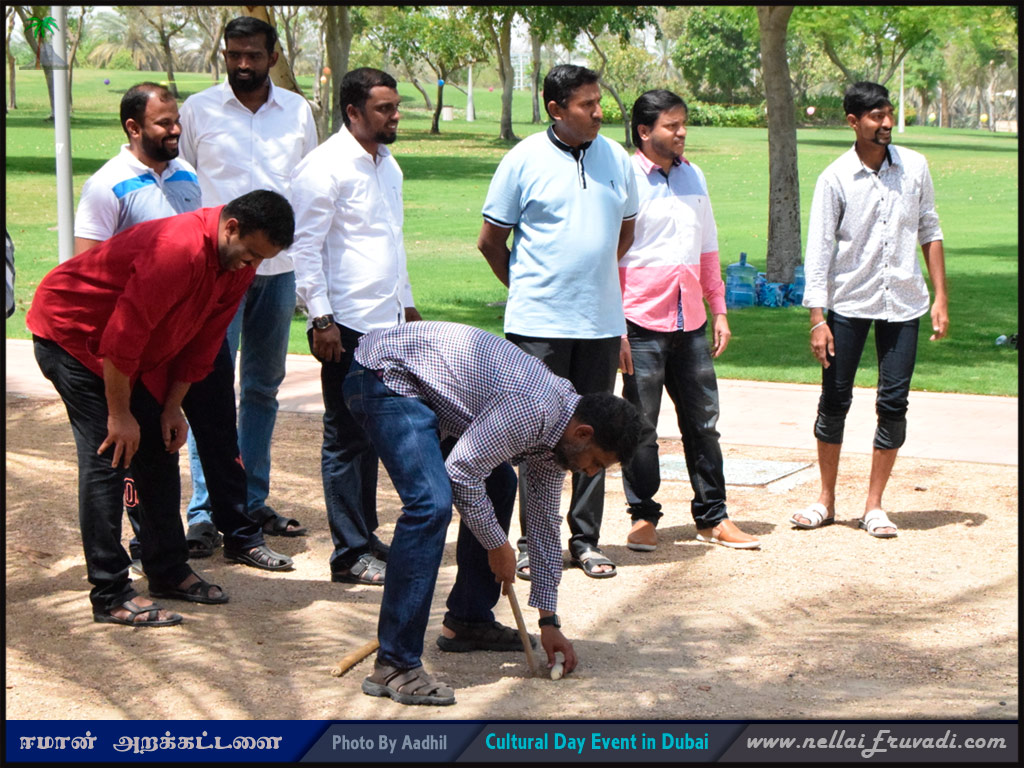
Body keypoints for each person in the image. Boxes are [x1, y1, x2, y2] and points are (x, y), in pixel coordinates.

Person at [26, 190, 297, 626]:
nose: (252, 266)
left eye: (262, 260)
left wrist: (172, 408)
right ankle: (110, 592)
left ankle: (168, 570)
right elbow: (122, 337)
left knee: (158, 446)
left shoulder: (239, 265)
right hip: (73, 335)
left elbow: (201, 342)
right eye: (250, 255)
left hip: (126, 351)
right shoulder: (178, 250)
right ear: (230, 228)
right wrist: (119, 416)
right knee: (110, 455)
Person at [343, 321, 642, 706]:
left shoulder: (559, 437)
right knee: (430, 505)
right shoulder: (534, 411)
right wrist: (497, 545)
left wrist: (548, 621)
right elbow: (461, 473)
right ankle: (395, 665)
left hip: (428, 386)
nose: (590, 473)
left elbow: (543, 524)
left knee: (499, 483)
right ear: (583, 433)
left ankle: (468, 621)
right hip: (385, 373)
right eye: (596, 462)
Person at [478, 64, 638, 580]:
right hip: (537, 328)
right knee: (536, 436)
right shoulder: (522, 159)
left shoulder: (616, 157)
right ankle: (532, 543)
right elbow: (490, 242)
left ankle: (585, 540)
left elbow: (626, 231)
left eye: (598, 102)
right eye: (587, 105)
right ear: (555, 109)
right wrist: (531, 289)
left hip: (599, 324)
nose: (598, 112)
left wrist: (591, 282)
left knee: (596, 433)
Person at [179, 16, 318, 546]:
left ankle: (250, 500)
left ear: (273, 57)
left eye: (253, 55)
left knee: (262, 389)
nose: (242, 64)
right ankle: (204, 509)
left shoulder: (298, 112)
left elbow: (308, 190)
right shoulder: (199, 110)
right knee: (207, 389)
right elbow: (184, 189)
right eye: (234, 54)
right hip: (218, 273)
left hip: (277, 272)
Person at [792, 81, 948, 538]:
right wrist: (817, 318)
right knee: (834, 400)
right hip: (849, 303)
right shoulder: (835, 177)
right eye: (876, 116)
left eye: (889, 114)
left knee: (893, 402)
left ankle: (874, 506)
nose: (886, 123)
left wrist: (940, 297)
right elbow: (819, 250)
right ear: (853, 122)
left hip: (904, 303)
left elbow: (930, 230)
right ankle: (825, 500)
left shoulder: (915, 167)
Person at [290, 67, 419, 585]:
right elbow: (305, 249)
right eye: (384, 108)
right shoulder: (323, 168)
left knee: (373, 434)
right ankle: (348, 554)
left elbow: (392, 239)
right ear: (353, 112)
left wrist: (408, 305)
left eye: (395, 106)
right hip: (344, 324)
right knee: (345, 437)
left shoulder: (389, 165)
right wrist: (320, 318)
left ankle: (365, 535)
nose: (395, 116)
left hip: (388, 323)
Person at [618, 89, 760, 552]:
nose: (682, 133)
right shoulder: (624, 179)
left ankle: (713, 517)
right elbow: (608, 256)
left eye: (684, 124)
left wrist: (719, 309)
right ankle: (643, 516)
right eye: (672, 125)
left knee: (703, 424)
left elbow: (708, 248)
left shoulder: (694, 175)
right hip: (639, 320)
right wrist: (615, 327)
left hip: (691, 321)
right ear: (645, 131)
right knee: (641, 427)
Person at [73, 82, 202, 570]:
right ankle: (134, 553)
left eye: (176, 120)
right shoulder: (106, 185)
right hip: (123, 343)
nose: (175, 130)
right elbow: (87, 271)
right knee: (125, 447)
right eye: (163, 123)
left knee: (163, 446)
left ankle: (163, 554)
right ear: (133, 127)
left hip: (167, 342)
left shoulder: (187, 175)